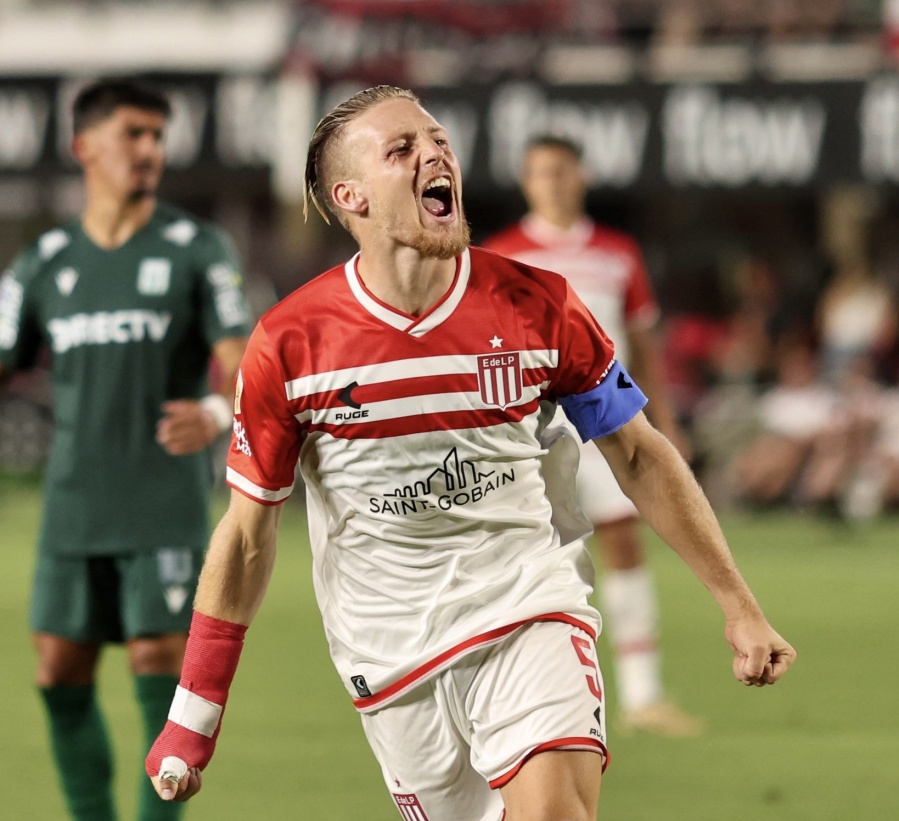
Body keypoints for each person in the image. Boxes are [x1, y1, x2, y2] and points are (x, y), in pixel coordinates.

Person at [145, 86, 796, 820]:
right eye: (401, 149)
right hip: (389, 651)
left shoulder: (538, 303)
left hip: (528, 607)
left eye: (438, 140)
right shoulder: (291, 343)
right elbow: (245, 535)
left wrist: (738, 605)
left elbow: (639, 453)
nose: (433, 154)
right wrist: (192, 718)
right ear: (349, 196)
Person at [0, 78, 250, 821]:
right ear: (85, 146)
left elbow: (245, 366)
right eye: (132, 134)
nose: (148, 150)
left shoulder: (197, 247)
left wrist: (214, 408)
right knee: (58, 672)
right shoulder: (41, 262)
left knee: (157, 669)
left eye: (156, 136)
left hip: (161, 499)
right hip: (73, 500)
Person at [483, 135, 703, 736]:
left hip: (605, 419)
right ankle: (526, 695)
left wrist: (665, 421)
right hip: (531, 426)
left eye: (559, 170)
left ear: (581, 175)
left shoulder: (617, 253)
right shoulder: (501, 255)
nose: (550, 182)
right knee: (526, 553)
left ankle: (644, 695)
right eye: (538, 173)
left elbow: (644, 342)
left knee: (623, 543)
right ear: (526, 184)